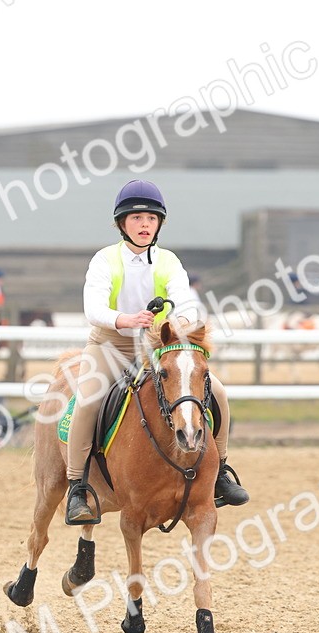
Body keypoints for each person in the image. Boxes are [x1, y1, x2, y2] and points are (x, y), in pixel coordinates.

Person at [64, 179, 249, 525]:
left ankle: (221, 471)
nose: (144, 224)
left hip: (159, 345)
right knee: (88, 400)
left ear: (159, 223)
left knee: (218, 393)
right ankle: (78, 486)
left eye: (151, 218)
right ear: (122, 224)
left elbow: (187, 300)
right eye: (136, 219)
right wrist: (126, 319)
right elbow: (93, 308)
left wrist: (180, 321)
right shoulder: (104, 260)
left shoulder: (168, 261)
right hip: (111, 343)